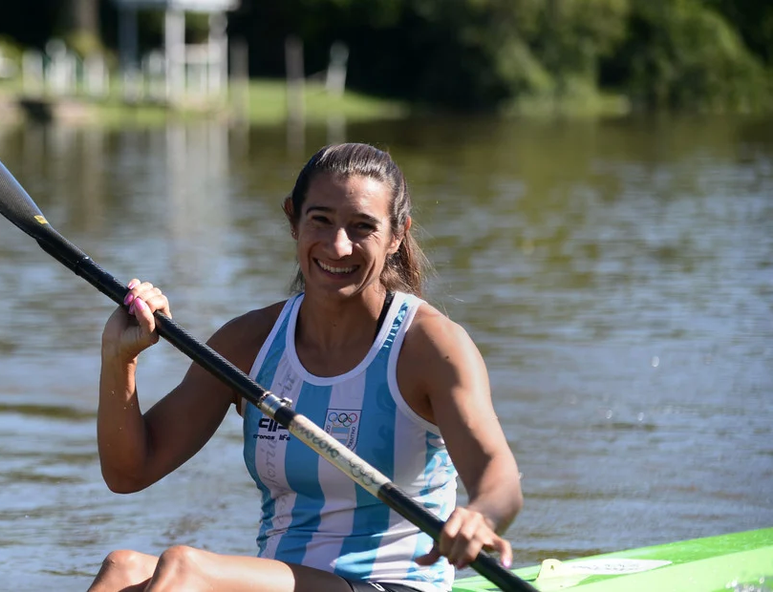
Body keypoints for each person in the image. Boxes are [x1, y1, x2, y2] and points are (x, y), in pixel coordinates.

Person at [89, 143, 523, 592]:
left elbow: (500, 476)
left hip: (393, 584)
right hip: (280, 581)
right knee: (122, 568)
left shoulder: (430, 346)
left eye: (362, 227)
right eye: (320, 220)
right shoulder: (248, 344)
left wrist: (480, 515)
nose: (338, 245)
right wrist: (121, 358)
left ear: (396, 235)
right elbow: (129, 472)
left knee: (184, 568)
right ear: (292, 220)